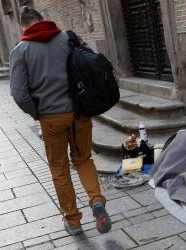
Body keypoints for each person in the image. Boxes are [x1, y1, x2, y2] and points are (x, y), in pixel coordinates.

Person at [9, 7, 111, 235]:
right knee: (83, 159)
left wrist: (37, 113)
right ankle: (96, 200)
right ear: (43, 20)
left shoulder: (20, 51)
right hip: (79, 113)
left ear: (23, 26)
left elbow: (19, 94)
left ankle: (73, 221)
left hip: (51, 118)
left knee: (59, 168)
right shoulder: (68, 38)